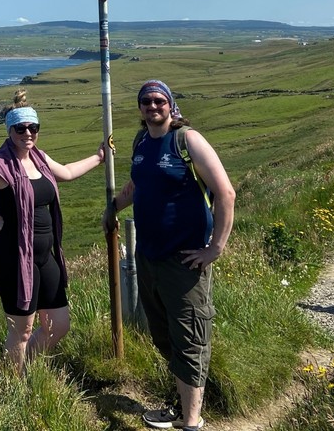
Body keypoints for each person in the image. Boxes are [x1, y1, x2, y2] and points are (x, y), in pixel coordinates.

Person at [104, 79, 235, 431]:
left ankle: (191, 422)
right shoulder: (142, 141)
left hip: (184, 259)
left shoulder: (187, 140)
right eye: (146, 101)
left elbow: (226, 193)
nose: (152, 106)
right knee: (163, 335)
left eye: (159, 100)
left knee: (189, 337)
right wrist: (114, 207)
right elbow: (139, 184)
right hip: (148, 255)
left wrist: (215, 248)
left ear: (170, 105)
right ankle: (181, 406)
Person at [0, 89, 104, 373]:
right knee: (22, 330)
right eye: (20, 128)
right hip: (13, 256)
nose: (28, 133)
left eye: (33, 128)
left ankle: (23, 369)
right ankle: (14, 387)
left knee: (59, 324)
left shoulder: (40, 159)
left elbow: (67, 172)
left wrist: (98, 158)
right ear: (10, 130)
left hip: (47, 254)